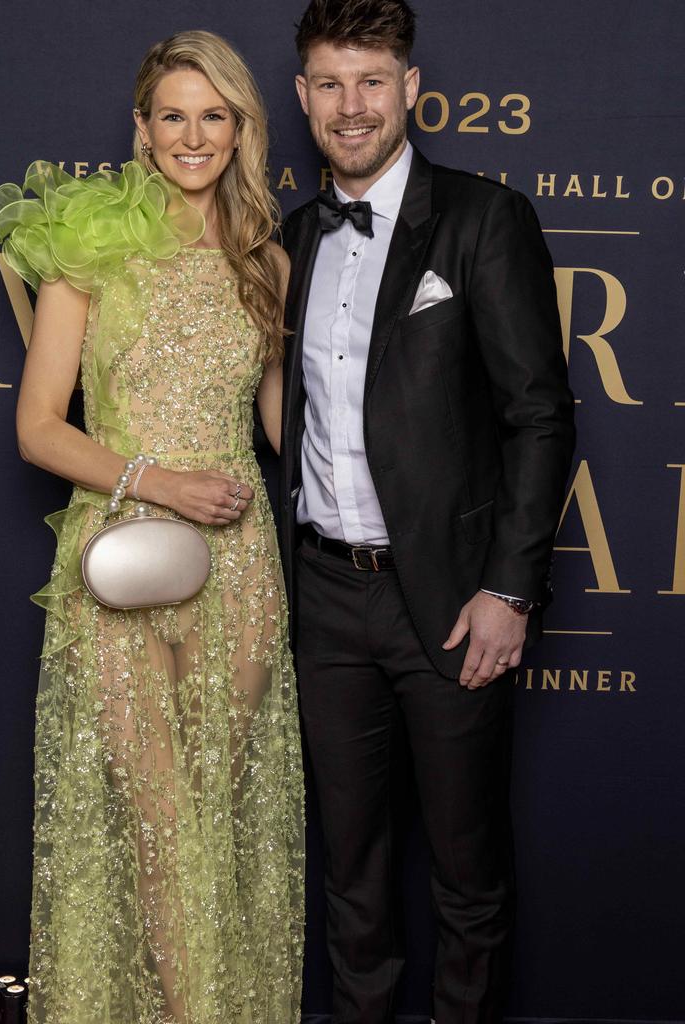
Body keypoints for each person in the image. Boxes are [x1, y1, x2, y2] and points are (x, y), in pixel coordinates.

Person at [0, 31, 303, 1024]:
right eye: (174, 115)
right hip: (122, 552)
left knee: (210, 814)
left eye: (216, 116)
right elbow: (38, 429)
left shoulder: (269, 261)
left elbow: (281, 423)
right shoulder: (88, 246)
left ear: (241, 130)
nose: (194, 135)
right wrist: (162, 480)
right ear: (141, 127)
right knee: (162, 822)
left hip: (241, 564)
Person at [279, 1, 575, 1021]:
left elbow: (539, 416)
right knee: (351, 873)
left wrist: (508, 587)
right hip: (323, 598)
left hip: (449, 599)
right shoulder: (290, 240)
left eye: (372, 81)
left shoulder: (483, 217)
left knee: (466, 871)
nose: (350, 106)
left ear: (411, 88)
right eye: (328, 83)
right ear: (304, 95)